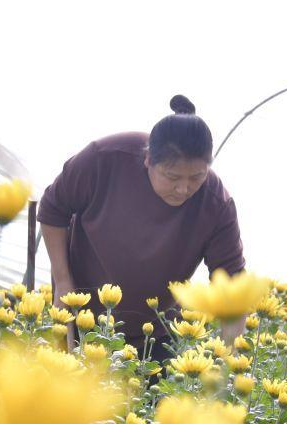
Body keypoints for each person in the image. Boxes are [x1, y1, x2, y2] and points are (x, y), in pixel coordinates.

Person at [37, 94, 247, 364]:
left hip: (156, 332)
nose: (184, 188)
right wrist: (62, 279)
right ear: (148, 160)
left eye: (196, 177)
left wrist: (231, 361)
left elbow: (233, 284)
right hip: (82, 318)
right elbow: (54, 208)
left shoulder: (216, 203)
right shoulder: (104, 159)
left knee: (150, 402)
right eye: (172, 177)